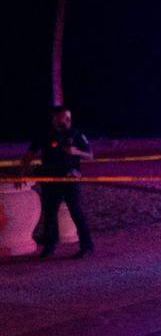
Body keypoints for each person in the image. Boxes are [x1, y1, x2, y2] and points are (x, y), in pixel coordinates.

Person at [19, 106, 95, 258]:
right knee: (50, 214)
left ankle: (87, 247)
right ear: (55, 118)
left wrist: (77, 152)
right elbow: (29, 154)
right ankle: (49, 247)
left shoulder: (76, 134)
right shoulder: (44, 134)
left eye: (70, 118)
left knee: (76, 211)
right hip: (50, 179)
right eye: (65, 117)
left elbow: (90, 155)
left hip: (70, 178)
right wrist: (22, 173)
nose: (68, 120)